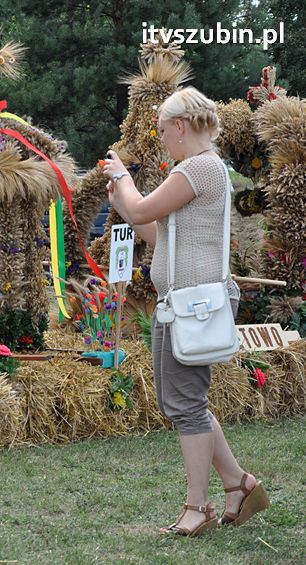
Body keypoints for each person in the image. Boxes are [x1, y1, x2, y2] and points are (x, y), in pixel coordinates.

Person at [104, 86, 269, 537]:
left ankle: (199, 507)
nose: (161, 138)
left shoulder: (198, 168)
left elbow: (140, 205)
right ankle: (238, 482)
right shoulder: (197, 170)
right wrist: (123, 200)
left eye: (162, 130)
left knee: (186, 404)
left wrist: (124, 181)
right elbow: (157, 235)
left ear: (180, 127)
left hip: (192, 305)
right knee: (179, 401)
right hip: (180, 304)